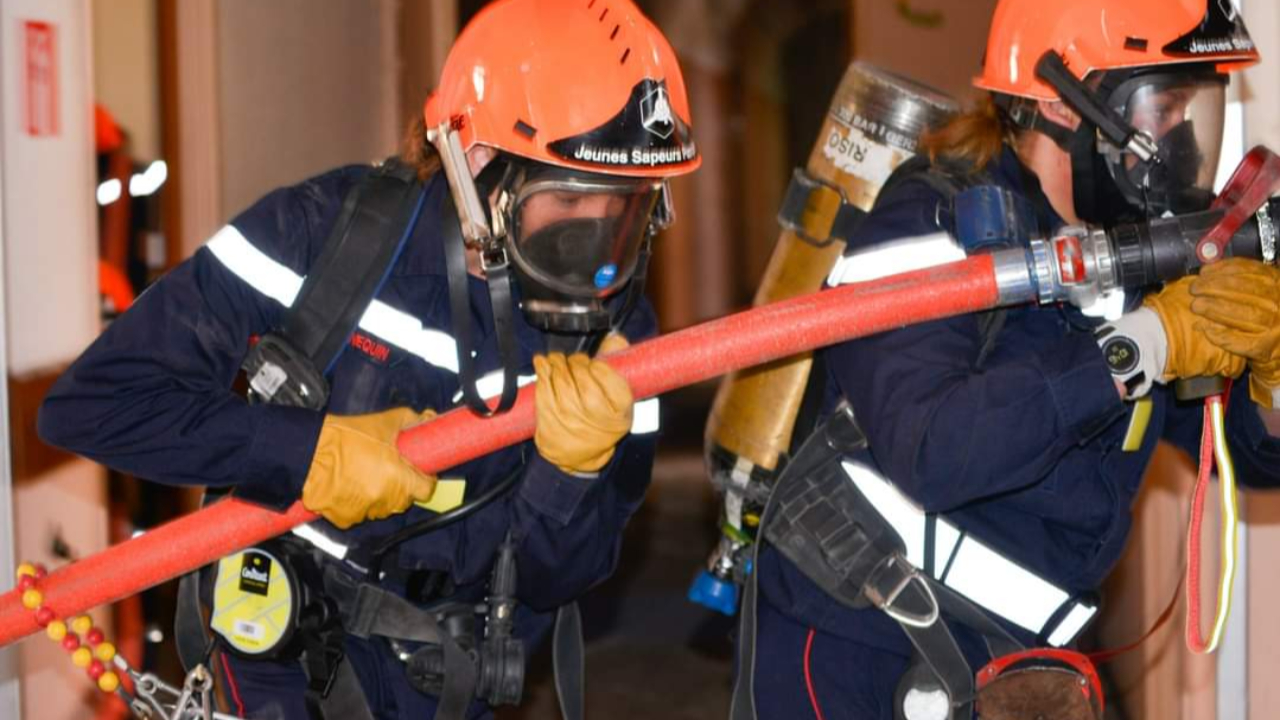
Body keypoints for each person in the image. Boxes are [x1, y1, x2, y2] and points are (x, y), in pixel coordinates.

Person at [38, 0, 699, 718]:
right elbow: (94, 404)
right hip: (283, 650)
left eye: (627, 212)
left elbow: (560, 577)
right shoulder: (320, 240)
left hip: (450, 673)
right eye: (568, 202)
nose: (595, 249)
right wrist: (303, 451)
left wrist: (571, 477)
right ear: (471, 161)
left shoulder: (617, 331)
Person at [742, 1, 1280, 718]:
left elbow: (1251, 459)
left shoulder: (1146, 249)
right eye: (1165, 105)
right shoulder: (930, 223)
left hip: (1018, 657)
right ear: (1062, 104)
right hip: (861, 644)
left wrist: (1272, 370)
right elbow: (934, 449)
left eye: (1198, 108)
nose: (1183, 138)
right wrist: (1140, 345)